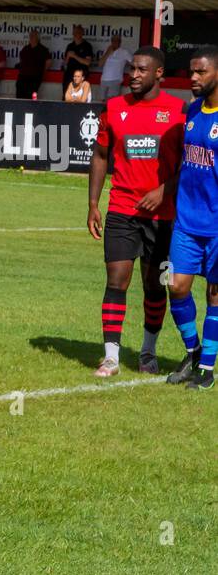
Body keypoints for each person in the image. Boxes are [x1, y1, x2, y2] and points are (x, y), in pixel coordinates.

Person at [87, 46, 185, 377]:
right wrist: (92, 204)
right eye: (132, 69)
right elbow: (100, 155)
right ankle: (111, 357)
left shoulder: (178, 111)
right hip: (121, 209)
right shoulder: (114, 108)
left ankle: (147, 351)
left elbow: (191, 162)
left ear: (159, 73)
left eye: (142, 70)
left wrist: (164, 190)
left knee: (155, 285)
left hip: (163, 215)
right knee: (116, 280)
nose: (134, 75)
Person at [163, 47, 218, 390]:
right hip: (186, 220)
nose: (193, 78)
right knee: (175, 285)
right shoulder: (193, 110)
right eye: (191, 72)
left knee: (215, 293)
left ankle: (208, 370)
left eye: (201, 72)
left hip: (216, 225)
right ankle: (193, 352)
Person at [15, 31, 50, 100]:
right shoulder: (25, 48)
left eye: (33, 36)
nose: (31, 37)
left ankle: (32, 109)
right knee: (19, 96)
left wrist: (41, 73)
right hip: (22, 77)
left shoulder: (43, 49)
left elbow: (48, 62)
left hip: (35, 78)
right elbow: (21, 60)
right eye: (30, 36)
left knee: (32, 97)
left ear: (37, 38)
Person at [98, 33, 131, 102]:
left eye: (117, 40)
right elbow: (100, 64)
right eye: (113, 40)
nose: (115, 42)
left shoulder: (124, 52)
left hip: (115, 80)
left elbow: (133, 62)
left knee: (111, 101)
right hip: (104, 80)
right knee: (101, 101)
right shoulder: (107, 50)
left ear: (120, 42)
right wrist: (108, 52)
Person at [63, 24, 94, 89]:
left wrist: (74, 56)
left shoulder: (87, 46)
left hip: (80, 76)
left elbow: (88, 62)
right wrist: (68, 56)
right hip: (69, 75)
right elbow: (65, 63)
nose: (75, 34)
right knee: (66, 96)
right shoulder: (70, 46)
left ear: (82, 34)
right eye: (74, 33)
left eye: (78, 32)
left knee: (78, 97)